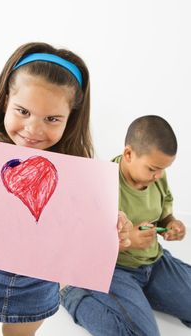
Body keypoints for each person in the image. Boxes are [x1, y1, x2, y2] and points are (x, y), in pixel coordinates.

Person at [0, 42, 132, 336]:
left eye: (51, 119)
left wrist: (114, 227)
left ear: (70, 118)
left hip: (37, 283)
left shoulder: (76, 169)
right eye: (23, 111)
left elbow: (84, 221)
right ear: (5, 103)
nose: (33, 130)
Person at [61, 115, 191, 336]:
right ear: (129, 154)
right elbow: (83, 243)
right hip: (113, 269)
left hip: (154, 262)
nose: (158, 175)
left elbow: (164, 210)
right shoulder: (101, 183)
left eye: (163, 169)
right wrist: (126, 240)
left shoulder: (158, 177)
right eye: (152, 169)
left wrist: (171, 224)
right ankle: (73, 293)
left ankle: (143, 295)